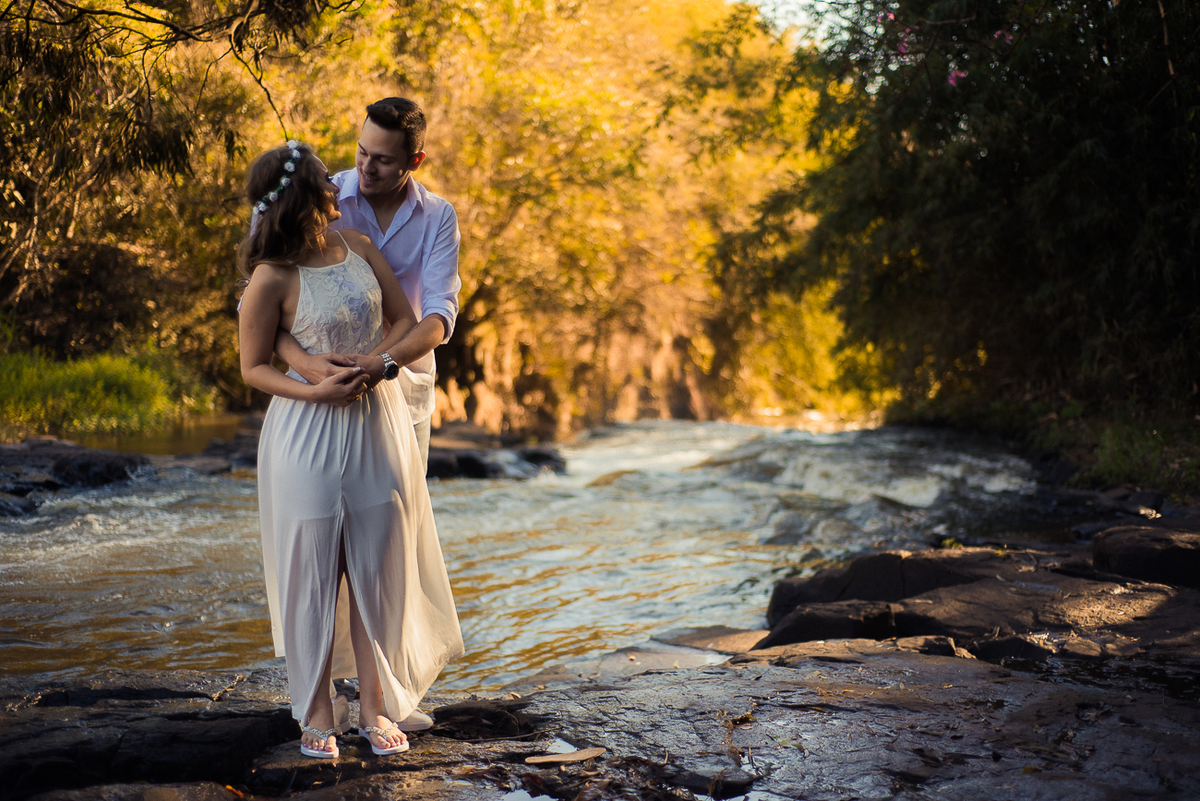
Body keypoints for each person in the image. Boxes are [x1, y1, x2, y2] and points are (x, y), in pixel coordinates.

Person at [238, 140, 464, 760]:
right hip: (304, 433)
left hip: (376, 420)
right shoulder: (270, 278)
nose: (341, 190)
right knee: (314, 569)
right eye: (325, 185)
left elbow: (402, 318)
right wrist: (313, 386)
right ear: (303, 199)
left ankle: (373, 706)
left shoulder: (360, 249)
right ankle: (314, 713)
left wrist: (376, 363)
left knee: (375, 563)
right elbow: (253, 367)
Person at [274, 97, 461, 470]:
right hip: (326, 394)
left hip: (408, 394)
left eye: (384, 160)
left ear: (415, 161)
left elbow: (440, 315)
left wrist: (383, 363)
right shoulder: (320, 200)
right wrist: (305, 364)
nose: (367, 167)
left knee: (398, 520)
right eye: (363, 151)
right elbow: (257, 303)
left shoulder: (438, 217)